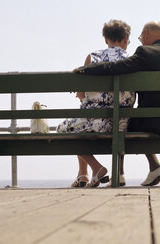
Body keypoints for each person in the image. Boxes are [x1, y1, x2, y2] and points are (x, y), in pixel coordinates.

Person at [73, 21, 160, 186]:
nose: (141, 41)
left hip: (153, 122)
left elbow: (117, 66)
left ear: (147, 34)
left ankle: (119, 173)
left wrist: (86, 69)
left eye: (141, 37)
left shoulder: (145, 52)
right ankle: (153, 167)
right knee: (127, 119)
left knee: (124, 122)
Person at [57, 19, 135, 188]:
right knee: (78, 122)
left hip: (96, 123)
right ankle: (83, 175)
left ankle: (96, 167)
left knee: (62, 129)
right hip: (122, 124)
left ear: (106, 39)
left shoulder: (93, 57)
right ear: (126, 38)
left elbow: (81, 95)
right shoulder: (133, 60)